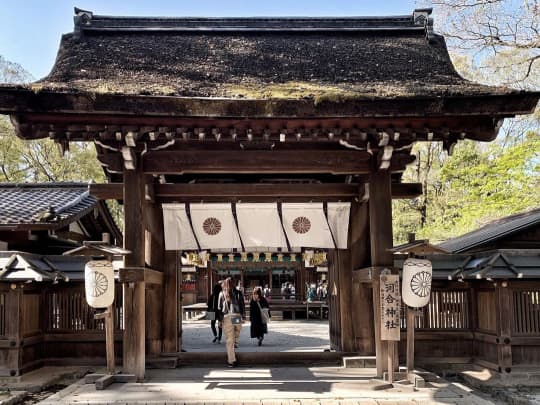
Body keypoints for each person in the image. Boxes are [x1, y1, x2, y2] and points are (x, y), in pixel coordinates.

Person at [218, 277, 246, 367]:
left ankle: (231, 361)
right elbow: (242, 305)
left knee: (229, 340)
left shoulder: (221, 294)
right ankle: (236, 342)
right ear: (234, 284)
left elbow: (219, 309)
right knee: (237, 330)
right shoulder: (238, 293)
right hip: (236, 316)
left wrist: (219, 320)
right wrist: (243, 316)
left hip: (226, 317)